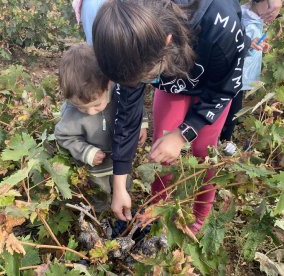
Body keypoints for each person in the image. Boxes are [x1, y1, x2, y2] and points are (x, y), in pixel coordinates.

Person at [92, 0, 249, 233]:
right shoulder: (131, 34)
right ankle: (157, 210)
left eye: (146, 77)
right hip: (172, 84)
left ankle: (199, 216)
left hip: (213, 85)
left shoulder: (220, 24)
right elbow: (127, 112)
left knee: (205, 152)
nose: (141, 84)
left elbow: (224, 88)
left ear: (165, 40)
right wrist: (119, 183)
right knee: (162, 148)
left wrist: (184, 133)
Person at [55, 44, 148, 212]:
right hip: (96, 167)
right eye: (81, 108)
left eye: (96, 105)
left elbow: (134, 107)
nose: (90, 112)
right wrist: (86, 152)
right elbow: (63, 136)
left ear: (109, 84)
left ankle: (123, 206)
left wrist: (141, 124)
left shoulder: (120, 91)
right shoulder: (70, 115)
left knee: (124, 184)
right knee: (100, 194)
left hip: (121, 156)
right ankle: (101, 217)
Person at [220, 0, 272, 147]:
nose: (271, 11)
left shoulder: (255, 17)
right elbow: (234, 44)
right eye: (269, 6)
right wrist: (249, 46)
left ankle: (224, 140)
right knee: (232, 111)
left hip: (243, 74)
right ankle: (224, 142)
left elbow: (250, 43)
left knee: (234, 109)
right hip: (236, 74)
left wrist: (259, 45)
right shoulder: (243, 19)